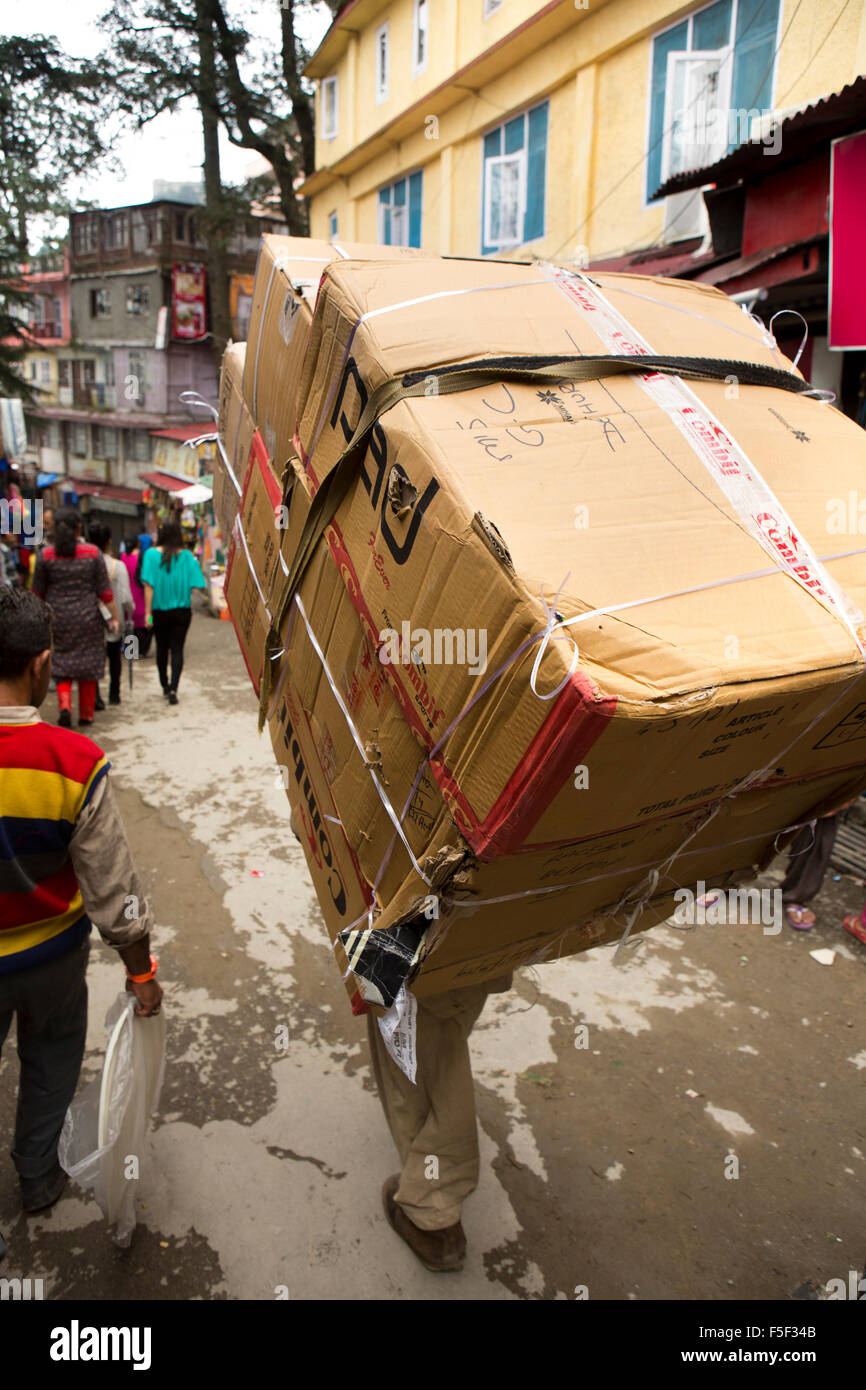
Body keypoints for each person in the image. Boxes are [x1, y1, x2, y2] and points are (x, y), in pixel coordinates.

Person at [0, 586, 162, 1217]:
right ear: (42, 663)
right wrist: (142, 974)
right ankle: (38, 1177)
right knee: (49, 1064)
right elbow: (113, 887)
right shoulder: (74, 761)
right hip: (51, 962)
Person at [368, 974, 512, 1272]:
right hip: (469, 958)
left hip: (414, 956)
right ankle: (434, 1202)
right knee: (449, 1022)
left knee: (415, 1063)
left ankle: (432, 1216)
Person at [31, 508, 119, 728]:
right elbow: (105, 592)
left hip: (57, 619)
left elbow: (37, 594)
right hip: (88, 618)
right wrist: (114, 618)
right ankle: (86, 714)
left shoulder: (46, 555)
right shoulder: (92, 553)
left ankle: (65, 706)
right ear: (79, 528)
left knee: (61, 663)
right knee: (88, 666)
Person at [141, 519, 206, 705]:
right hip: (182, 612)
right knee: (177, 649)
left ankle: (164, 684)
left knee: (161, 648)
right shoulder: (187, 556)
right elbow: (198, 585)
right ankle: (174, 689)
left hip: (159, 612)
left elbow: (148, 586)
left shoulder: (150, 555)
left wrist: (148, 614)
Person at [88, 521, 134, 706]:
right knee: (115, 657)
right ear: (109, 541)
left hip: (92, 619)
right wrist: (130, 612)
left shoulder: (85, 564)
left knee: (94, 659)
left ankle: (96, 695)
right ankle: (114, 694)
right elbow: (125, 598)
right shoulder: (118, 566)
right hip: (115, 619)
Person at [120, 534, 152, 658]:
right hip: (141, 597)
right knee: (147, 623)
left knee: (130, 625)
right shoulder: (141, 556)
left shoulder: (121, 557)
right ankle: (144, 650)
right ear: (137, 543)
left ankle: (131, 652)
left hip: (126, 598)